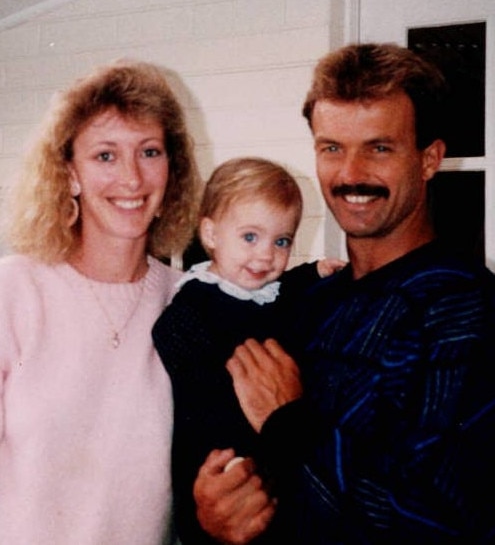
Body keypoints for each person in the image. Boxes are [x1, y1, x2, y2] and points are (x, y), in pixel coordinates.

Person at [192, 43, 495, 543]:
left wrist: (289, 424)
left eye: (379, 147)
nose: (351, 174)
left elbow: (439, 517)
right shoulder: (307, 302)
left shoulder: (463, 312)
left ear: (429, 159)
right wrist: (219, 515)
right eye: (332, 148)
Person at [0, 59, 201, 545]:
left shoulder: (190, 303)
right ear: (70, 172)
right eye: (105, 156)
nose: (131, 179)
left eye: (149, 152)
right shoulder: (14, 291)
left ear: (171, 168)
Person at [152, 156, 345, 544]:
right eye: (250, 237)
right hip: (216, 456)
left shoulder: (272, 292)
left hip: (269, 449)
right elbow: (172, 342)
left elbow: (289, 288)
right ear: (210, 234)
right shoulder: (195, 303)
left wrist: (316, 271)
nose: (265, 255)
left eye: (282, 241)